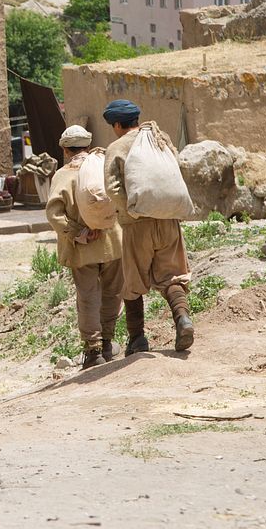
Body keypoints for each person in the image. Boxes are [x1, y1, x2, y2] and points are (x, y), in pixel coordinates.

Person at [102, 99, 194, 354]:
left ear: (118, 124)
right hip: (168, 221)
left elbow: (113, 188)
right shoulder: (158, 137)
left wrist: (131, 210)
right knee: (172, 276)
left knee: (132, 283)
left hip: (136, 226)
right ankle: (182, 319)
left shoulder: (116, 147)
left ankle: (137, 338)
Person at [45, 125, 123, 368]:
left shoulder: (62, 175)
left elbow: (54, 213)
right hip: (113, 242)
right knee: (113, 293)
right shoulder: (102, 166)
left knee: (88, 297)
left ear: (65, 150)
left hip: (83, 247)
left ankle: (93, 350)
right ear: (88, 146)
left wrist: (78, 233)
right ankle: (108, 342)